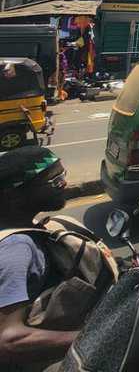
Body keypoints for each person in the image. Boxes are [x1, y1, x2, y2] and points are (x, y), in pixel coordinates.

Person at [0, 147, 75, 370]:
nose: (64, 184)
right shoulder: (16, 247)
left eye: (63, 175)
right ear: (15, 195)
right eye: (55, 180)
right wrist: (90, 338)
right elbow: (9, 339)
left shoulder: (23, 228)